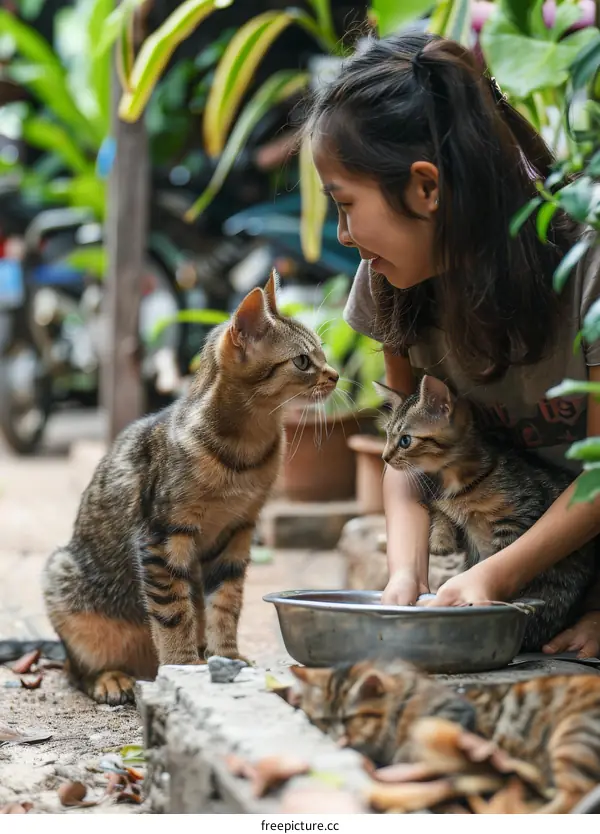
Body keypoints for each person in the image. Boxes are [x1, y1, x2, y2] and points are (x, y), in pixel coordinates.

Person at [306, 31, 600, 657]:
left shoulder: (586, 262)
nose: (344, 234)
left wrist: (495, 576)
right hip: (534, 561)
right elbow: (406, 457)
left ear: (427, 188)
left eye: (345, 204)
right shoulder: (391, 283)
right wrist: (404, 579)